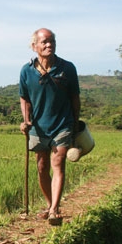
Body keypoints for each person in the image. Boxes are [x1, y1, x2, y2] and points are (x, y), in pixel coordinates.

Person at [19, 28, 81, 225]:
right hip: (38, 127)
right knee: (42, 166)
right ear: (34, 46)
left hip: (62, 124)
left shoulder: (67, 68)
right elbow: (24, 98)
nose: (49, 45)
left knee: (57, 163)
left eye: (52, 41)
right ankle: (49, 204)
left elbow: (75, 98)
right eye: (44, 42)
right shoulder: (26, 71)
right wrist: (26, 120)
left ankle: (54, 209)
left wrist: (75, 124)